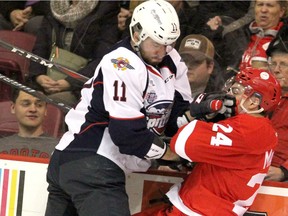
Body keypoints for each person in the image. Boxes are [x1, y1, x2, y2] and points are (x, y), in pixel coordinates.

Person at [44, 1, 192, 215]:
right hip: (91, 163)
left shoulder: (171, 59)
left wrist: (197, 113)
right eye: (156, 43)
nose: (163, 51)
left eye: (169, 44)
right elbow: (127, 135)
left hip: (75, 164)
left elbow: (172, 118)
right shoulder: (122, 63)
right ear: (136, 33)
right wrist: (173, 155)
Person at [133, 67, 282, 216]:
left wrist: (198, 113)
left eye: (236, 91)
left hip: (201, 210)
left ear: (254, 102)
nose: (228, 95)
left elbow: (183, 143)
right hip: (202, 208)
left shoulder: (250, 127)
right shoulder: (260, 129)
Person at [28, 0, 120, 107]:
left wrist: (70, 82)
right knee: (26, 99)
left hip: (82, 85)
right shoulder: (53, 5)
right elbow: (40, 46)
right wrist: (39, 76)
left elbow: (103, 58)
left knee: (50, 104)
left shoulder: (105, 9)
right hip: (48, 78)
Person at [0, 87, 58, 158]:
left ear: (45, 110)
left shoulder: (60, 148)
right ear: (13, 108)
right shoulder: (1, 145)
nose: (33, 109)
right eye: (26, 104)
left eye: (39, 105)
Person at [265, 24, 288, 182]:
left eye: (284, 64)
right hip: (257, 172)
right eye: (273, 64)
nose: (276, 69)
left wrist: (284, 171)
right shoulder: (262, 97)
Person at [178, 34, 225, 98]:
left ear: (210, 67)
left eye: (195, 62)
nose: (188, 66)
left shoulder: (218, 100)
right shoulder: (165, 88)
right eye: (184, 61)